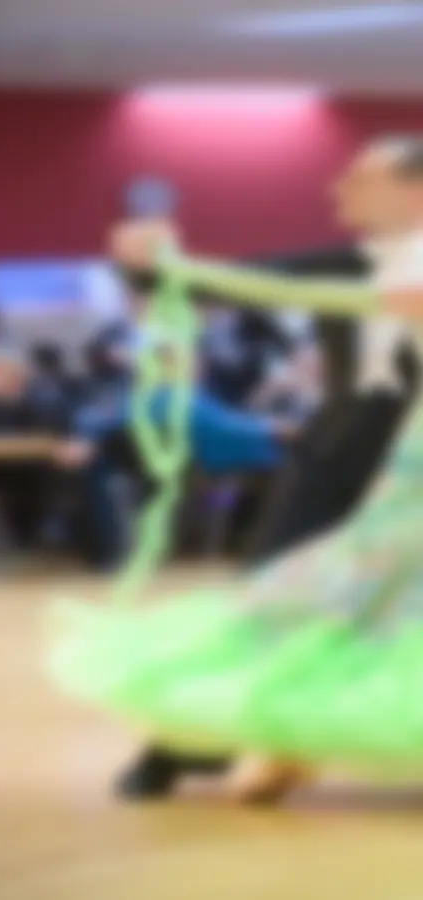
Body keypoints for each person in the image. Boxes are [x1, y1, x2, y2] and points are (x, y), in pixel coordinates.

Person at [51, 162, 423, 806]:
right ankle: (186, 747)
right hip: (337, 467)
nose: (343, 189)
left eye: (367, 180)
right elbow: (236, 283)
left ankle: (311, 747)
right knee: (270, 606)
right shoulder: (343, 263)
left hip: (403, 472)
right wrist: (149, 264)